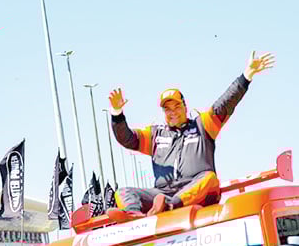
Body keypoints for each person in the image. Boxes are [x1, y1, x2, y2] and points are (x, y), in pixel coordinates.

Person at [108, 51, 276, 216]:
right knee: (124, 192)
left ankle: (168, 207)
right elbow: (127, 139)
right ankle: (132, 216)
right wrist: (117, 112)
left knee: (209, 178)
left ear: (185, 107)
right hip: (162, 195)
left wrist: (247, 75)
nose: (172, 112)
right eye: (167, 109)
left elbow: (225, 103)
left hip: (198, 193)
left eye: (177, 107)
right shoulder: (155, 134)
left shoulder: (203, 125)